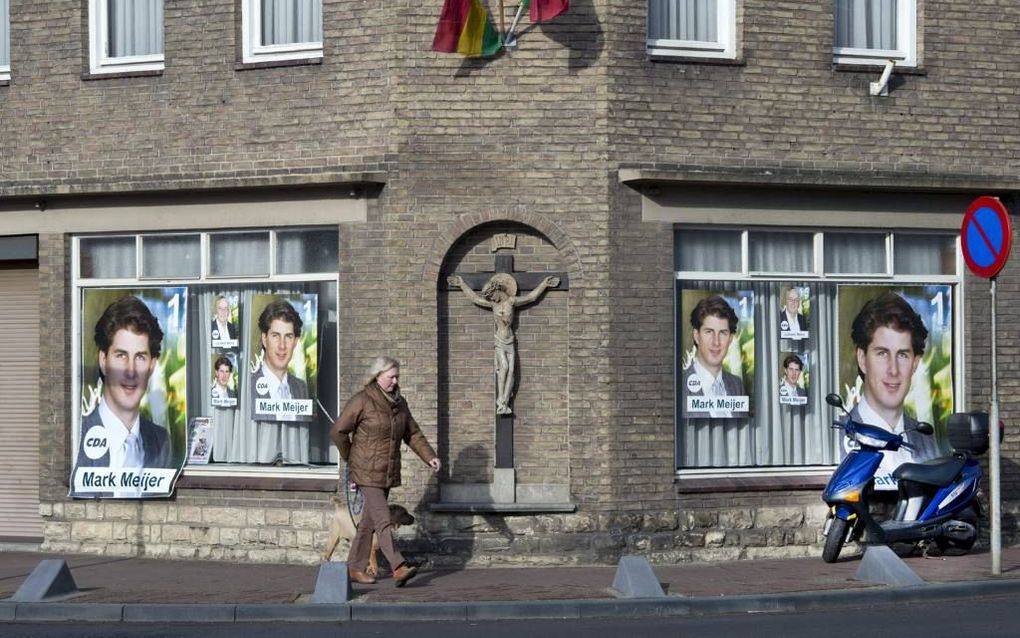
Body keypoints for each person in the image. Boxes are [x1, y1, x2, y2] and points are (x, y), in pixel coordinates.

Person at [330, 356, 442, 587]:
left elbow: (413, 434)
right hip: (365, 472)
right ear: (377, 376)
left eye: (397, 377)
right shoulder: (362, 401)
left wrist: (429, 456)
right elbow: (338, 431)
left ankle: (354, 567)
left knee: (369, 523)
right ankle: (398, 567)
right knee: (383, 519)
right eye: (391, 376)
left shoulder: (400, 404)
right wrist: (351, 458)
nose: (395, 381)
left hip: (386, 473)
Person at [74, 296, 173, 494]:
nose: (130, 371)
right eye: (121, 355)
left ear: (152, 366)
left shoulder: (161, 442)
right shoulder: (77, 436)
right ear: (103, 360)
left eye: (140, 357)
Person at [849, 292, 940, 491]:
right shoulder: (841, 435)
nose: (893, 370)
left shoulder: (925, 439)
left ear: (915, 363)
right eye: (882, 353)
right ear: (862, 359)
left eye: (903, 355)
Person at [447, 272, 559, 415]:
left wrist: (544, 284)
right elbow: (475, 299)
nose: (491, 298)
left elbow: (531, 297)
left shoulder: (511, 302)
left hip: (510, 339)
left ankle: (504, 401)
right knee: (504, 367)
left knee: (511, 371)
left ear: (497, 290)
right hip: (499, 339)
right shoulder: (493, 305)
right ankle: (500, 400)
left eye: (491, 295)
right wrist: (462, 284)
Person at [681, 295, 747, 418]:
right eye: (709, 332)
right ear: (696, 335)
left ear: (730, 339)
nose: (716, 342)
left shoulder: (737, 385)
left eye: (722, 333)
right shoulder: (680, 386)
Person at [251, 299, 310, 420]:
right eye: (275, 335)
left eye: (288, 336)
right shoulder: (249, 387)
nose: (282, 345)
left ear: (295, 342)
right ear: (264, 339)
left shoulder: (301, 388)